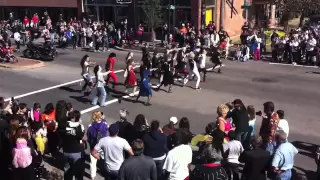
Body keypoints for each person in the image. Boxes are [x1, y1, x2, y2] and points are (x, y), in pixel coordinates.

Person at [61, 110, 85, 180]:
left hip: (66, 151)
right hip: (76, 151)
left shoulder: (64, 125)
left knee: (67, 170)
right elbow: (82, 137)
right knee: (78, 171)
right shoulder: (80, 127)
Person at [87, 111, 108, 180]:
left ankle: (93, 176)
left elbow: (88, 137)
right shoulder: (105, 124)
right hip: (102, 146)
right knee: (104, 159)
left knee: (93, 162)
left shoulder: (90, 126)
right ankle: (105, 172)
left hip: (94, 147)